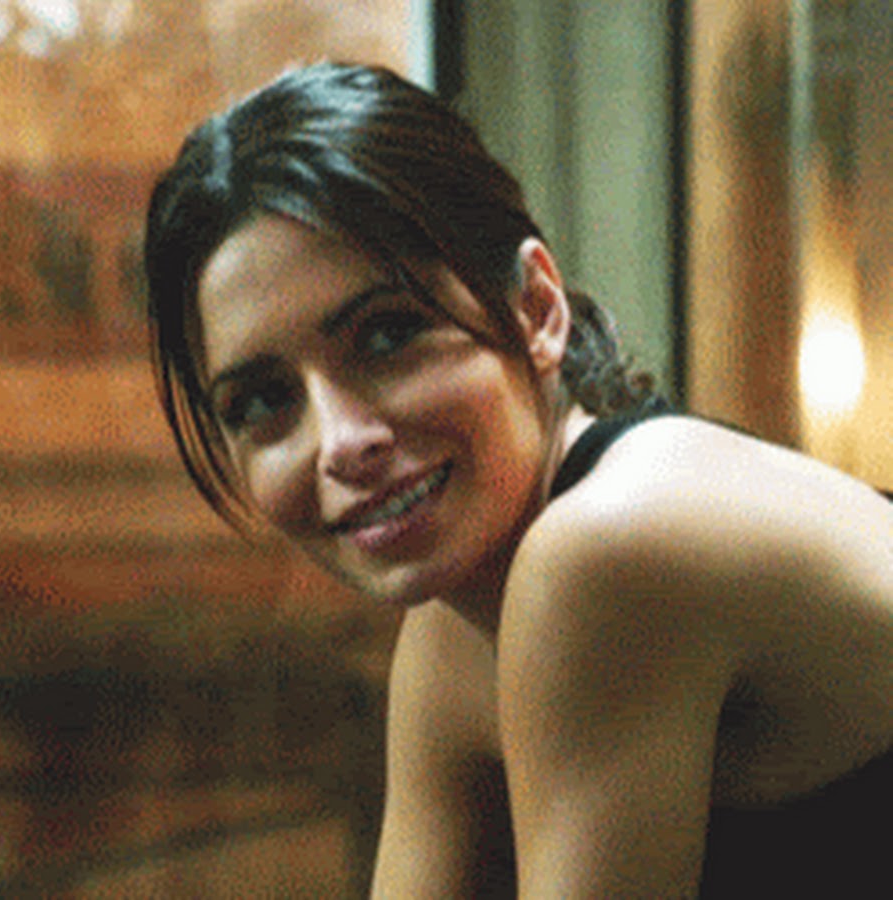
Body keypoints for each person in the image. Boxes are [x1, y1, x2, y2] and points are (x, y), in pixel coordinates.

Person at [145, 63, 892, 898]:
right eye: (263, 401)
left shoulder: (607, 553)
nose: (341, 444)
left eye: (387, 336)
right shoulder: (454, 629)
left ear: (537, 308)